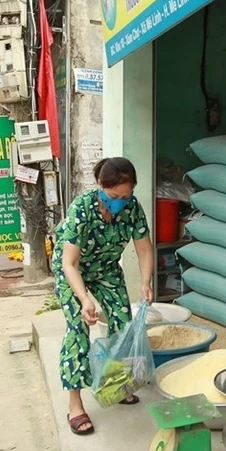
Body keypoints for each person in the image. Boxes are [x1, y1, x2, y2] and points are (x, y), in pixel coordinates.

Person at [53, 157, 154, 436]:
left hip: (107, 268)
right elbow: (69, 263)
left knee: (124, 323)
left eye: (126, 195)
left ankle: (117, 385)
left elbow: (144, 248)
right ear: (100, 185)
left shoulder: (132, 208)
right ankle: (75, 404)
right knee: (78, 329)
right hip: (74, 271)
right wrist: (85, 299)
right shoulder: (82, 209)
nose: (121, 201)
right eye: (114, 196)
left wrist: (145, 282)